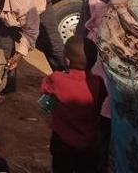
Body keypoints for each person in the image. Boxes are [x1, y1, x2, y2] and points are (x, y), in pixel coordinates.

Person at [77, 0, 138, 173]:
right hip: (97, 57)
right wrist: (79, 48)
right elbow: (85, 15)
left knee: (122, 117)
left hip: (127, 66)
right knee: (99, 115)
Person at [40, 35, 107, 173]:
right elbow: (101, 100)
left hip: (62, 141)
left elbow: (45, 88)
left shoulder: (57, 79)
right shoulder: (98, 82)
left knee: (61, 168)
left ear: (67, 60)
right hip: (89, 144)